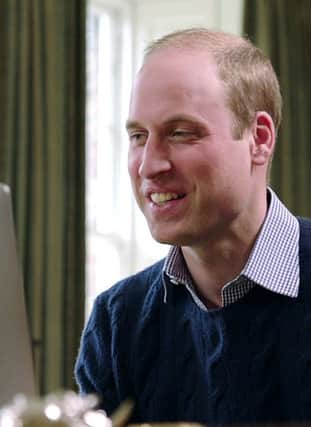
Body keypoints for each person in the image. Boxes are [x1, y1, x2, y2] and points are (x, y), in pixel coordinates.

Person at [75, 28, 311, 424]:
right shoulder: (117, 321)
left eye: (181, 133)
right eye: (138, 136)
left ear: (259, 138)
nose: (149, 165)